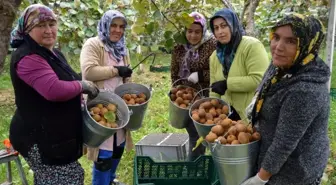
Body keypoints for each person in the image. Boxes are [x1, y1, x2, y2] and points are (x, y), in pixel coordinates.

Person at [8, 4, 99, 185]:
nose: (48, 30)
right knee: (66, 178)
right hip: (37, 136)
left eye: (52, 24)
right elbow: (54, 90)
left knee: (55, 178)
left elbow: (68, 79)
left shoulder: (52, 53)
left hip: (54, 134)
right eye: (41, 26)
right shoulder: (27, 57)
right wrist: (82, 85)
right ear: (27, 29)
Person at [241, 14, 329, 185]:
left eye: (291, 41)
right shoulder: (280, 65)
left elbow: (284, 143)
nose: (278, 47)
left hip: (293, 172)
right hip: (272, 156)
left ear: (307, 45)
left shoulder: (305, 89)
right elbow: (265, 89)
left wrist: (260, 178)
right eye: (276, 37)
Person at [80, 10, 133, 185]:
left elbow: (127, 77)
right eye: (113, 25)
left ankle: (110, 180)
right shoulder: (93, 44)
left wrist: (128, 81)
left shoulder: (122, 49)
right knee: (103, 154)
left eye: (121, 26)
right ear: (105, 25)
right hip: (99, 106)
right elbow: (89, 71)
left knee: (118, 147)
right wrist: (117, 70)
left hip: (118, 107)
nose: (118, 30)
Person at [170, 12, 217, 161]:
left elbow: (219, 72)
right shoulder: (179, 47)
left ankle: (195, 165)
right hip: (186, 98)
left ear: (203, 31)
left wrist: (201, 75)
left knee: (200, 133)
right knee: (194, 132)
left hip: (207, 96)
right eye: (189, 31)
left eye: (197, 32)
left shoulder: (212, 45)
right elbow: (174, 72)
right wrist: (177, 91)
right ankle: (196, 163)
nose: (193, 36)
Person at [209, 8, 269, 122]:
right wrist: (213, 113)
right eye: (216, 28)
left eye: (224, 25)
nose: (220, 31)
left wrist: (228, 84)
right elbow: (214, 89)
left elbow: (259, 80)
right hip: (227, 116)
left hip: (252, 114)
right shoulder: (215, 56)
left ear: (233, 25)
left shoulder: (251, 46)